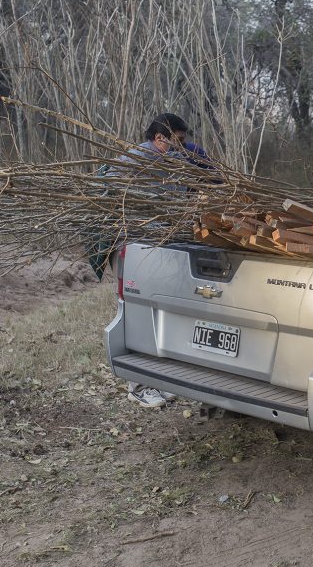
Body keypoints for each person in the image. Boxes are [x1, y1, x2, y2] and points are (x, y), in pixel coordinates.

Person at [115, 113, 211, 408]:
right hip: (140, 248)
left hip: (167, 244)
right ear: (160, 139)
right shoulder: (135, 160)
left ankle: (159, 379)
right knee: (140, 313)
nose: (184, 147)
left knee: (165, 312)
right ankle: (138, 384)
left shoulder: (178, 161)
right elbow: (114, 193)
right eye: (179, 141)